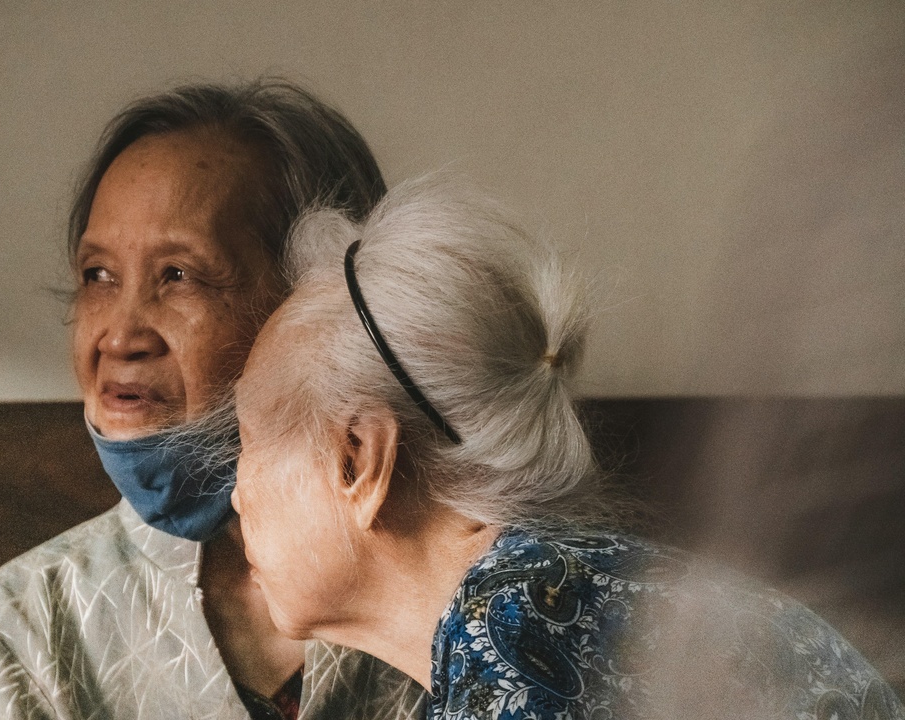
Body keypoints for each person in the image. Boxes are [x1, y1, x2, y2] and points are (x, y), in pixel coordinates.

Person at [230, 175, 904, 720]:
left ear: (358, 460)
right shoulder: (538, 596)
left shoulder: (515, 627)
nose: (235, 492)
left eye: (249, 441)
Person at [0, 80, 423, 720]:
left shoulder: (465, 590)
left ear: (316, 308)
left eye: (179, 275)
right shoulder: (23, 626)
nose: (119, 336)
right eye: (98, 276)